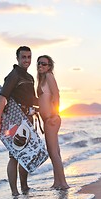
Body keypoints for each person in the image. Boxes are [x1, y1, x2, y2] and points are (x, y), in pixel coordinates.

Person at [0, 46, 38, 196]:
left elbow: (32, 100)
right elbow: (2, 97)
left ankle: (25, 187)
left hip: (28, 119)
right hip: (14, 121)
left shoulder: (30, 77)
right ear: (17, 58)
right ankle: (14, 192)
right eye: (23, 57)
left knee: (25, 154)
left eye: (29, 57)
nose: (26, 60)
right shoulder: (13, 75)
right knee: (14, 156)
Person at [36, 55, 69, 190]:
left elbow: (56, 94)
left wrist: (56, 114)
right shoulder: (41, 80)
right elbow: (44, 101)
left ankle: (63, 184)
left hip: (51, 119)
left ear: (49, 66)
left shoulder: (49, 76)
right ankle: (57, 182)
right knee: (55, 152)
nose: (40, 66)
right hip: (47, 120)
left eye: (44, 64)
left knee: (53, 153)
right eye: (39, 64)